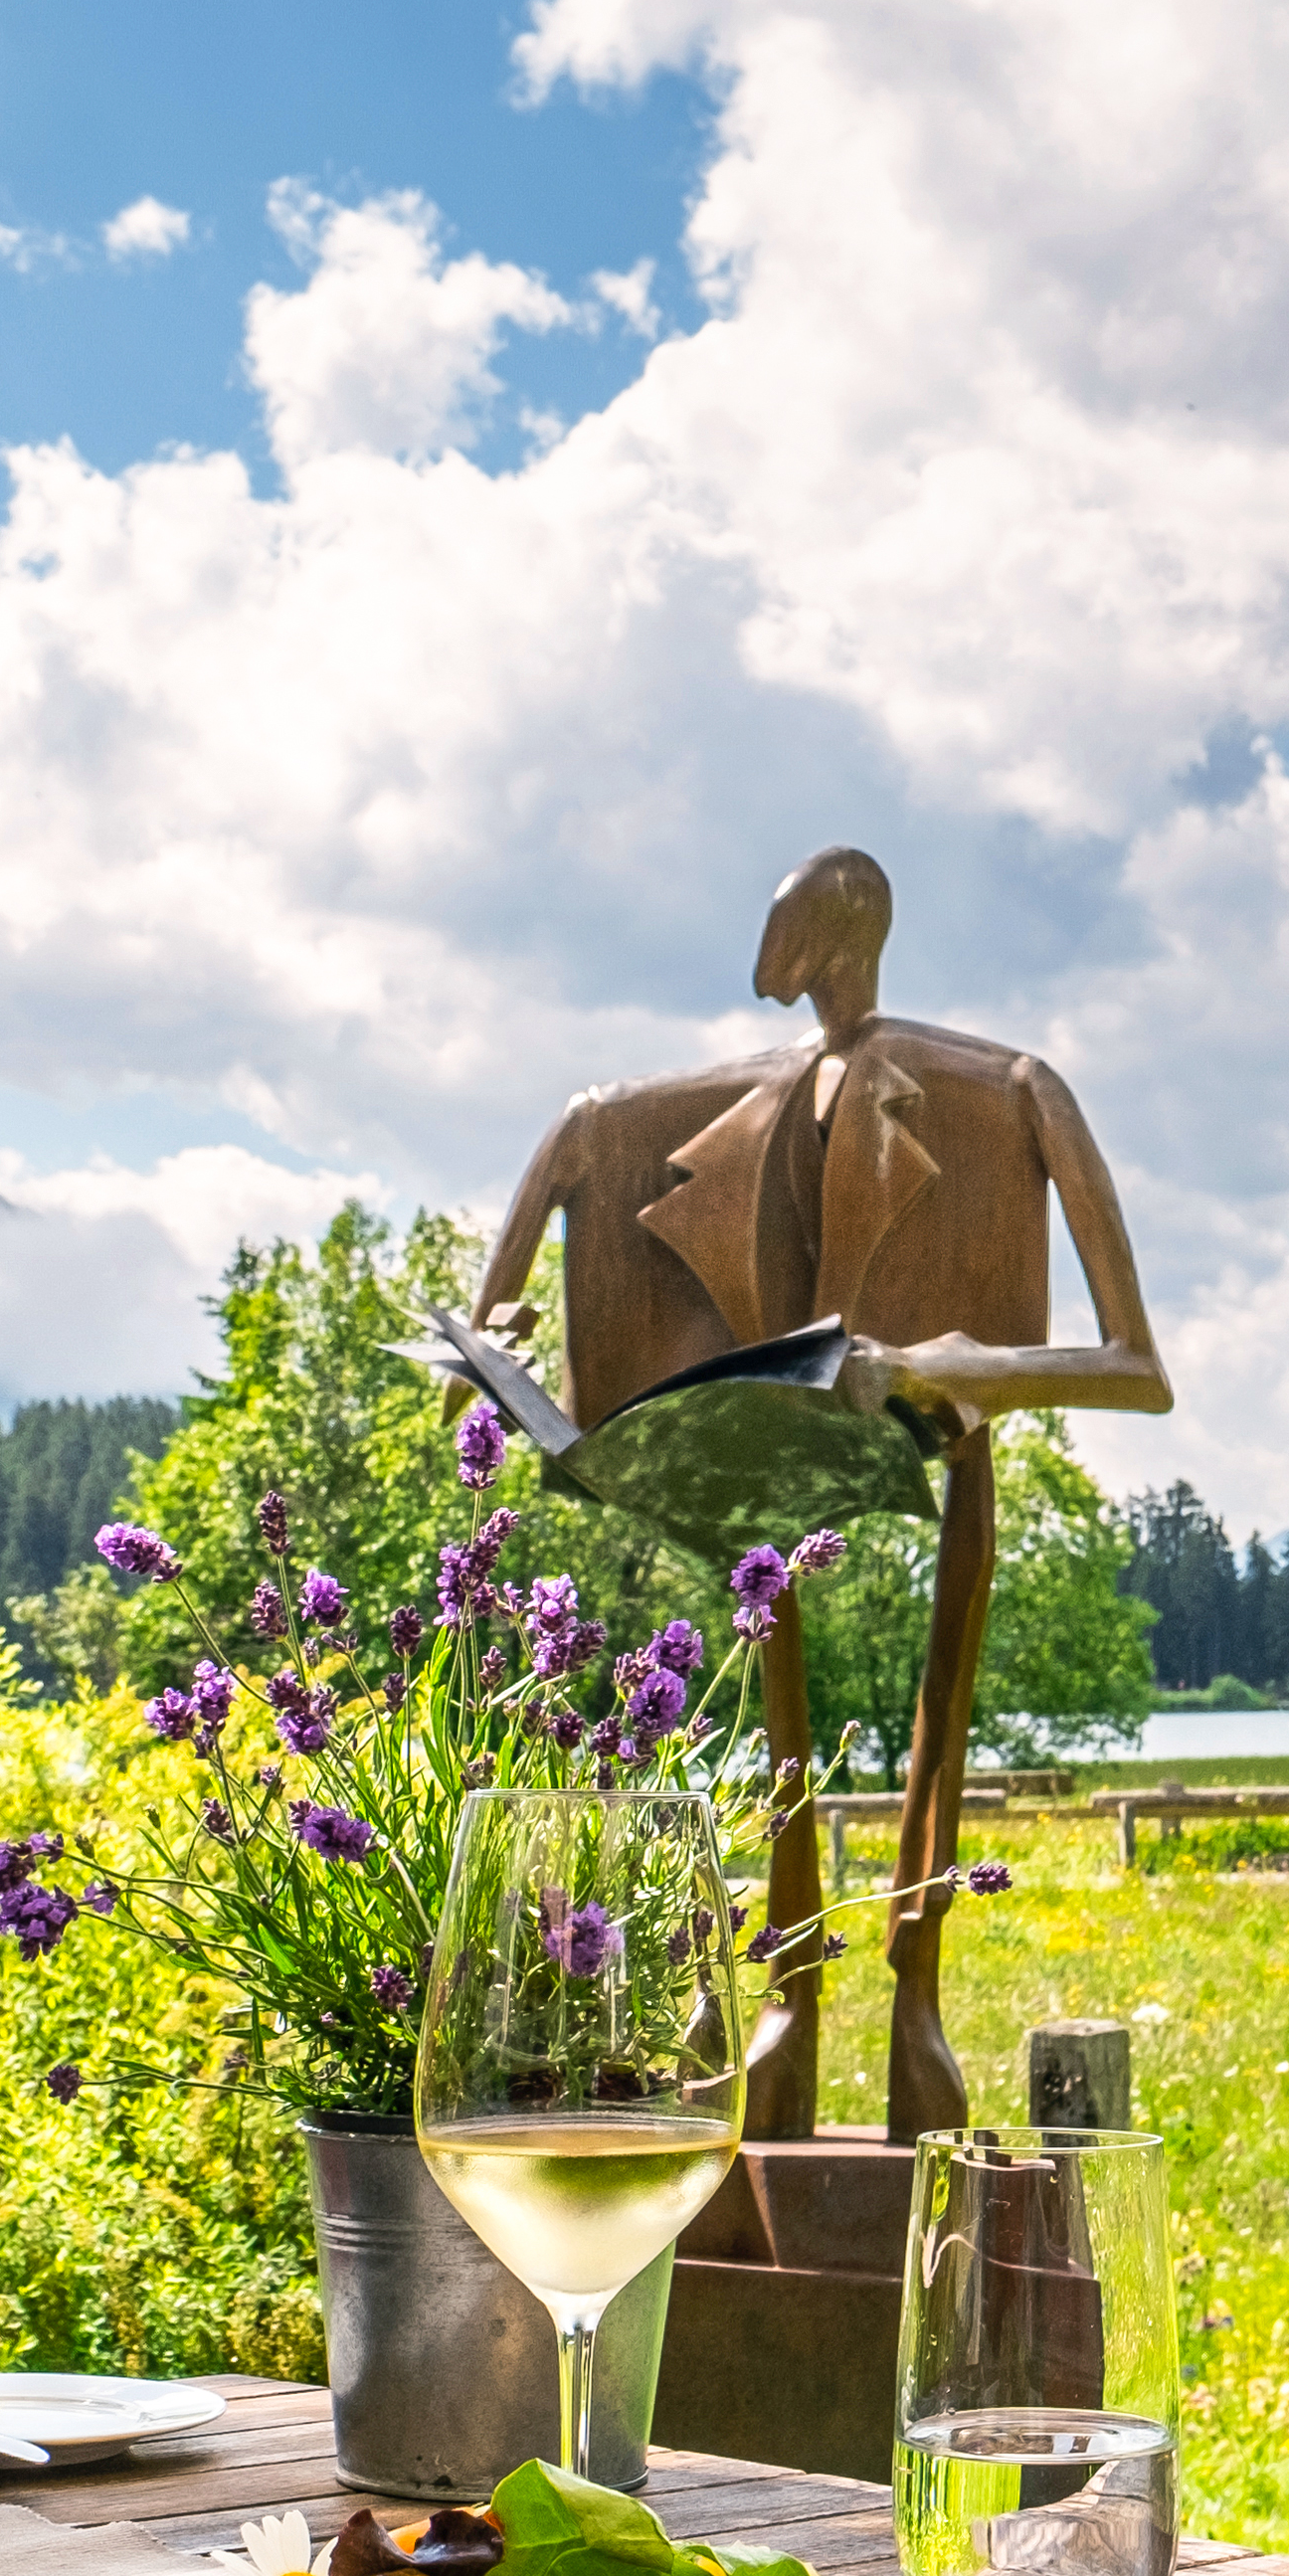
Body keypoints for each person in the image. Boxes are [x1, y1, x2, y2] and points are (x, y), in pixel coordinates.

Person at [468, 847, 1170, 2132]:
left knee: (940, 1685)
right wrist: (496, 1339)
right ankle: (786, 1988)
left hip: (934, 1425)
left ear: (838, 937)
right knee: (764, 1620)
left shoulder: (1008, 1091)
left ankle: (916, 1987)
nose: (772, 973)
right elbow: (563, 1160)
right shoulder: (715, 1103)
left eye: (792, 939)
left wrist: (953, 1366)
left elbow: (1137, 1369)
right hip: (775, 1442)